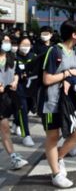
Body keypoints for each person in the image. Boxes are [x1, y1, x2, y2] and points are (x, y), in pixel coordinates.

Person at [39, 20, 76, 188]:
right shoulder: (54, 51)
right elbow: (47, 79)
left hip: (70, 102)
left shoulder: (74, 52)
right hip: (51, 102)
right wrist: (66, 74)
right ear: (74, 34)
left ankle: (59, 157)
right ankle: (56, 174)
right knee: (52, 137)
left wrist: (69, 78)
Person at [0, 33, 29, 170]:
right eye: (5, 41)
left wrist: (16, 80)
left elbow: (16, 71)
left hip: (6, 97)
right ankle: (14, 157)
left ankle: (14, 158)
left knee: (5, 128)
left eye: (8, 41)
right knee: (5, 127)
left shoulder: (11, 57)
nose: (8, 43)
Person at [15, 37, 37, 147]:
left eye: (28, 44)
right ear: (18, 45)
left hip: (30, 89)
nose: (25, 47)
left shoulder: (33, 57)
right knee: (22, 110)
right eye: (23, 44)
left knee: (28, 109)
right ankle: (26, 135)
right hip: (18, 89)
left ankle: (16, 122)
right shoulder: (14, 57)